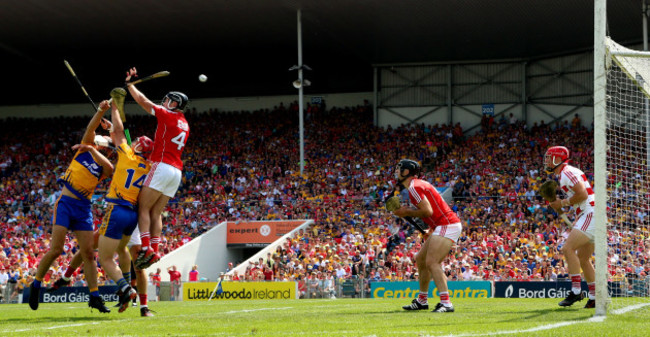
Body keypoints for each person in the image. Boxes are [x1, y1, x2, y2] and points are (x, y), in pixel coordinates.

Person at [29, 100, 114, 313]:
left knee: (88, 253)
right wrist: (102, 111)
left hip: (83, 208)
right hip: (66, 203)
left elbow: (114, 159)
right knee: (56, 250)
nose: (95, 143)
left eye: (99, 144)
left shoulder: (105, 164)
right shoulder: (83, 151)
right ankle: (36, 284)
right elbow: (90, 128)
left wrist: (112, 131)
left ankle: (94, 296)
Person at [125, 67, 190, 269]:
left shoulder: (168, 115)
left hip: (162, 166)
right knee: (156, 212)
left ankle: (146, 247)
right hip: (176, 171)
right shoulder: (185, 124)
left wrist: (130, 86)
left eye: (168, 100)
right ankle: (155, 248)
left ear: (175, 103)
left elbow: (144, 102)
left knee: (143, 207)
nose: (165, 102)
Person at [96, 96, 153, 313]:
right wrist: (112, 130)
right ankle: (135, 299)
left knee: (105, 258)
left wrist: (115, 109)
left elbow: (120, 133)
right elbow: (117, 135)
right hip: (133, 215)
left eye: (137, 141)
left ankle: (125, 288)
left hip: (117, 209)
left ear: (137, 146)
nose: (135, 141)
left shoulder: (127, 154)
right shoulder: (148, 167)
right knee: (123, 251)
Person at [391, 159, 462, 313]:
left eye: (399, 169)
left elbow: (428, 211)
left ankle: (446, 303)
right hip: (441, 225)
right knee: (421, 259)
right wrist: (430, 229)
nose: (396, 171)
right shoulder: (418, 185)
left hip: (447, 224)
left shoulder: (414, 187)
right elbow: (434, 209)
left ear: (407, 172)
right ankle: (422, 300)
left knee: (432, 262)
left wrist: (406, 212)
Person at [545, 146, 596, 308]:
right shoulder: (565, 173)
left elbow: (582, 194)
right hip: (589, 214)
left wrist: (562, 203)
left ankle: (575, 291)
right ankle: (595, 297)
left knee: (567, 248)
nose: (546, 161)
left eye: (548, 157)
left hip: (591, 213)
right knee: (583, 259)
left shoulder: (566, 172)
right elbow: (581, 197)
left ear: (557, 159)